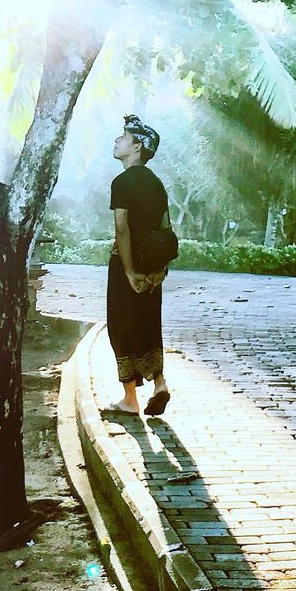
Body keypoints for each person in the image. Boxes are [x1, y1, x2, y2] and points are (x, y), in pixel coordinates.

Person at [105, 113, 172, 416]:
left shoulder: (121, 182)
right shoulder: (157, 184)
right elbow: (166, 227)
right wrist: (160, 269)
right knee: (148, 324)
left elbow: (122, 229)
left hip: (126, 265)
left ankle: (130, 399)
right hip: (153, 265)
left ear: (137, 147)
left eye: (124, 138)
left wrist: (129, 271)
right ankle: (159, 383)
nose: (118, 141)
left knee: (121, 326)